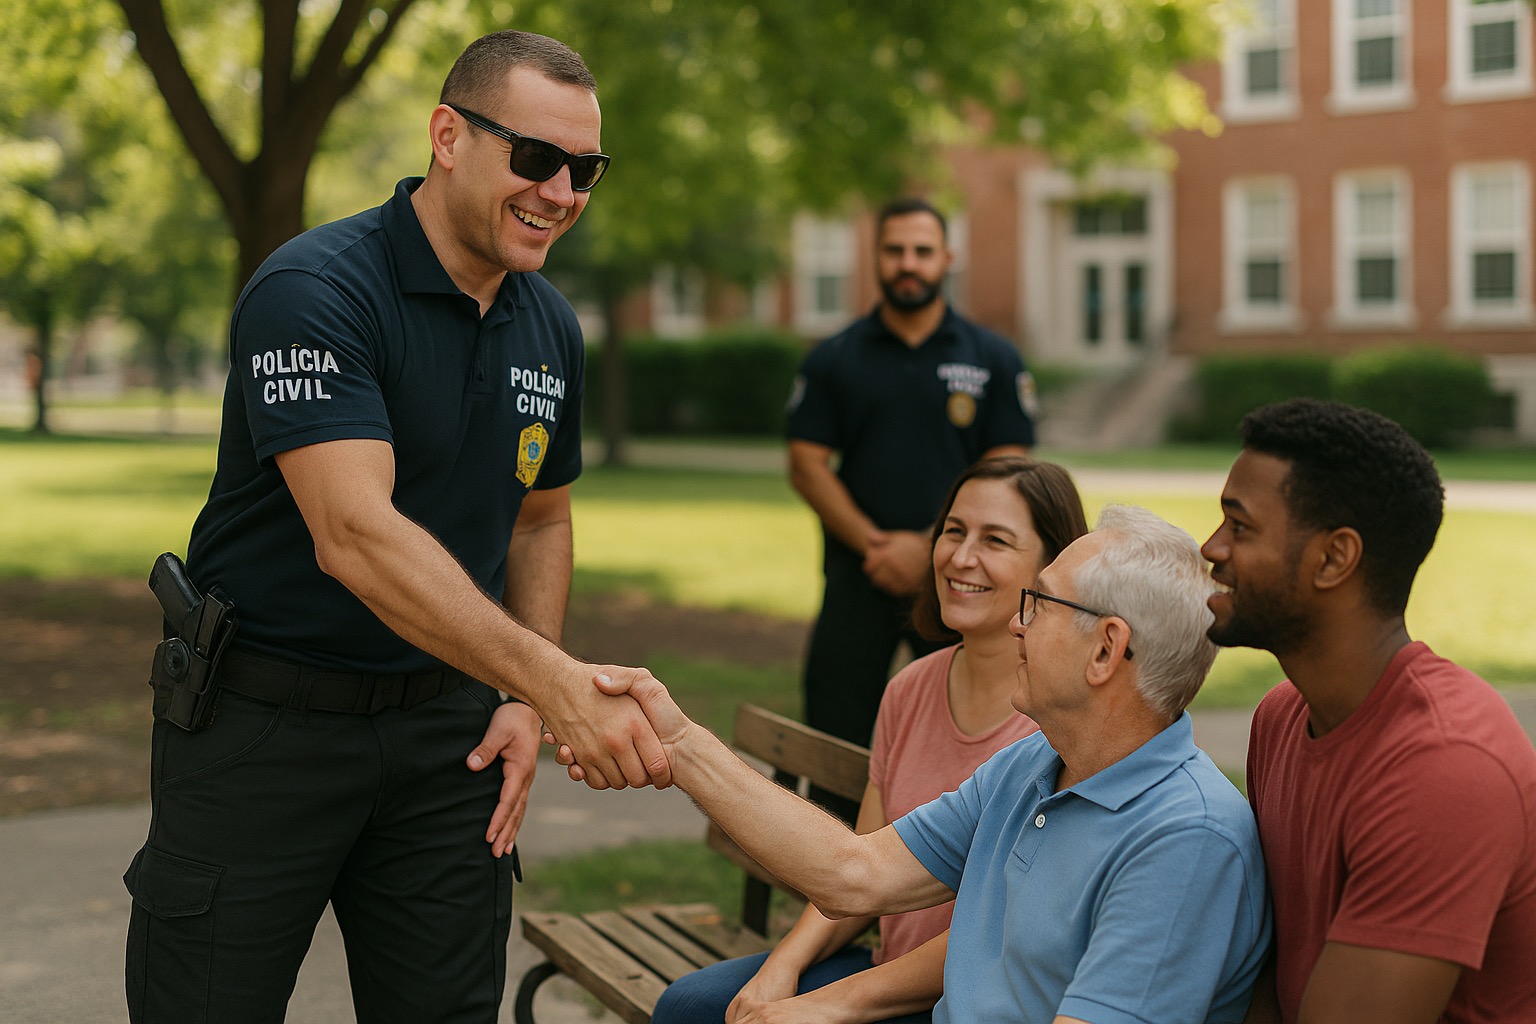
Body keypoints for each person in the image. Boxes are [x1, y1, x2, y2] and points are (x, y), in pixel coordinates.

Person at [122, 31, 670, 1024]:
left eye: (585, 168)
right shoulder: (315, 290)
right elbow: (354, 534)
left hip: (446, 744)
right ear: (448, 136)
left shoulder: (548, 324)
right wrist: (557, 681)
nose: (561, 191)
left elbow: (541, 521)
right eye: (536, 158)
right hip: (266, 728)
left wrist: (520, 692)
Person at [561, 505, 1272, 1023]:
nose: (1018, 622)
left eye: (1039, 602)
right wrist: (681, 744)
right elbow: (852, 873)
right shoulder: (1035, 764)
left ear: (1106, 650)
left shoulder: (1185, 840)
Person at [653, 457, 1089, 1024]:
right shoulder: (909, 690)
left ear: (1052, 569)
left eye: (996, 540)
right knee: (689, 1008)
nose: (961, 557)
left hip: (971, 997)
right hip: (883, 964)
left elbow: (998, 930)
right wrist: (782, 968)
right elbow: (861, 865)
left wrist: (831, 1004)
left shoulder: (1056, 725)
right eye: (953, 531)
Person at [1201, 398, 1536, 1024]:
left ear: (1334, 559)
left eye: (1240, 527)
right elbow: (1265, 975)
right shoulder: (1281, 718)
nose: (1212, 548)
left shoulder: (1445, 767)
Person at [787, 197, 1037, 818]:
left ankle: (932, 903)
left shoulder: (993, 358)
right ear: (875, 259)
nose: (908, 264)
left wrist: (929, 550)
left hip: (961, 585)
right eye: (895, 250)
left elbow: (1009, 471)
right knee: (836, 748)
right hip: (858, 581)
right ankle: (834, 898)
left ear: (946, 259)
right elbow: (806, 465)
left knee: (960, 752)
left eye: (922, 251)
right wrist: (878, 546)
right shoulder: (835, 358)